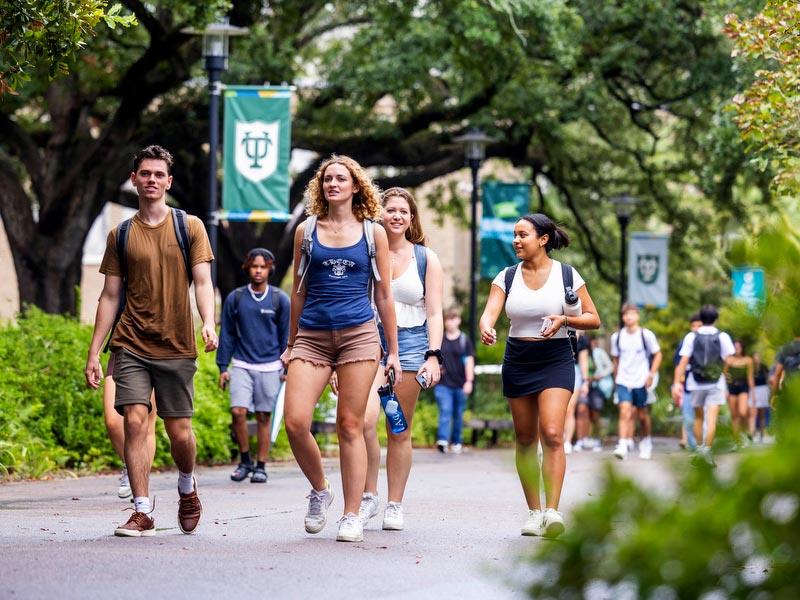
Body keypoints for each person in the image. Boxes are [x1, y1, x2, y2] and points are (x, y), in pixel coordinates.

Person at [84, 145, 217, 537]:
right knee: (135, 421)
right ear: (134, 179)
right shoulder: (121, 234)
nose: (152, 180)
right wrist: (94, 350)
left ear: (168, 182)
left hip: (176, 344)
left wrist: (208, 321)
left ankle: (187, 484)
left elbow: (204, 281)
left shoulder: (188, 226)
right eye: (146, 173)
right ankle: (142, 510)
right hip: (130, 343)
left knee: (179, 434)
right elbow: (109, 295)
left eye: (159, 174)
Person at [281, 155, 401, 543]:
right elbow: (297, 291)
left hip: (358, 336)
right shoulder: (306, 231)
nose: (333, 184)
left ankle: (352, 514)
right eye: (327, 179)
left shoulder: (373, 233)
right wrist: (290, 342)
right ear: (321, 187)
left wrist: (393, 351)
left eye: (341, 179)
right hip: (313, 335)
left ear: (355, 187)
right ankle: (320, 490)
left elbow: (383, 296)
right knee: (296, 421)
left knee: (350, 424)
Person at [479, 213, 601, 538]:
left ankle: (552, 511)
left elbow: (593, 318)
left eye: (523, 235)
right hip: (518, 358)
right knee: (524, 438)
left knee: (552, 433)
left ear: (543, 239)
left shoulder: (566, 275)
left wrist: (564, 320)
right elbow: (489, 313)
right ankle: (533, 511)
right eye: (515, 235)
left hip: (556, 357)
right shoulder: (506, 276)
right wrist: (486, 328)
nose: (517, 241)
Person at [358, 187, 443, 531]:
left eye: (402, 212)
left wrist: (433, 356)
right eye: (390, 210)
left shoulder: (426, 258)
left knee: (399, 428)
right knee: (362, 422)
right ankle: (367, 495)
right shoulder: (365, 252)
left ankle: (394, 504)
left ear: (411, 218)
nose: (396, 216)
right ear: (380, 215)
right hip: (368, 342)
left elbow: (434, 312)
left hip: (410, 345)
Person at [217, 248, 290, 484]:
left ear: (270, 268)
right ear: (248, 268)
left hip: (270, 366)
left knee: (263, 416)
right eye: (254, 266)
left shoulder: (280, 299)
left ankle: (261, 465)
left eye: (263, 266)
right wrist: (222, 366)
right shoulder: (236, 298)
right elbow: (227, 334)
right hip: (241, 364)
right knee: (238, 412)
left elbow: (286, 336)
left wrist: (286, 368)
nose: (258, 270)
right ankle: (245, 460)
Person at [671, 304, 735, 458]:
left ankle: (699, 449)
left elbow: (683, 362)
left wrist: (676, 383)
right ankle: (707, 450)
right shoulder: (723, 336)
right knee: (711, 418)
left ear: (701, 317)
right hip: (715, 382)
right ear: (715, 319)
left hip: (695, 381)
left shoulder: (691, 336)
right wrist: (723, 372)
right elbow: (730, 359)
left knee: (698, 418)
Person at [610, 304, 663, 460]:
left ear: (637, 316)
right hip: (623, 380)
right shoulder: (617, 337)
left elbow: (658, 355)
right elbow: (616, 358)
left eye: (632, 314)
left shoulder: (646, 335)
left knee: (642, 415)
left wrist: (651, 374)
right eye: (626, 314)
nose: (629, 317)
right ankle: (622, 444)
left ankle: (646, 441)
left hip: (641, 380)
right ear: (622, 317)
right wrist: (617, 375)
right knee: (625, 410)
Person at [103, 353, 157, 499]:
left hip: (156, 350)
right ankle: (132, 466)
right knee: (112, 422)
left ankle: (141, 483)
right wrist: (94, 352)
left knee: (146, 423)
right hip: (122, 350)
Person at [433, 308, 475, 454]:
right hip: (443, 384)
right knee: (445, 410)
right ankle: (443, 440)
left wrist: (469, 381)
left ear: (458, 320)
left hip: (460, 384)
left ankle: (457, 441)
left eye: (453, 318)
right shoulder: (440, 340)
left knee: (458, 413)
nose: (450, 322)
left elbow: (469, 360)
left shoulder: (464, 340)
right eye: (448, 319)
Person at [574, 334, 611, 452]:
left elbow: (610, 367)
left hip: (595, 387)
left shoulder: (598, 353)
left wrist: (598, 376)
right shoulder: (581, 352)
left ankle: (597, 438)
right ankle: (582, 439)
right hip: (583, 385)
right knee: (582, 410)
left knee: (595, 413)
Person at [674, 313, 702, 450]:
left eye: (699, 325)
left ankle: (702, 446)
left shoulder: (711, 341)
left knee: (703, 418)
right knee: (688, 418)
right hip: (687, 387)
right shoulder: (685, 341)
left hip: (705, 387)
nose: (696, 328)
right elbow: (679, 365)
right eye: (693, 325)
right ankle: (693, 446)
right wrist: (676, 384)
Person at [724, 340, 754, 445]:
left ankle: (746, 431)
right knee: (734, 415)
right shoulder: (729, 359)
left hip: (743, 387)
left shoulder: (748, 360)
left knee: (742, 411)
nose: (736, 349)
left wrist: (753, 393)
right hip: (732, 387)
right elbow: (724, 373)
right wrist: (725, 387)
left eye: (738, 347)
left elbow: (750, 377)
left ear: (742, 348)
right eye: (734, 347)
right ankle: (735, 438)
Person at [564, 333, 590, 454]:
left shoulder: (582, 339)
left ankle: (567, 441)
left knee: (569, 409)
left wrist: (585, 382)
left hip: (575, 371)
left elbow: (584, 361)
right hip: (556, 369)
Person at [750, 352, 771, 442]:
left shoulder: (764, 367)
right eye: (755, 357)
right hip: (753, 390)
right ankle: (752, 432)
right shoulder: (750, 368)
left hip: (763, 390)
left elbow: (768, 379)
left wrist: (769, 392)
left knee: (762, 413)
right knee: (753, 412)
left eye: (758, 357)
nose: (756, 359)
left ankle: (761, 434)